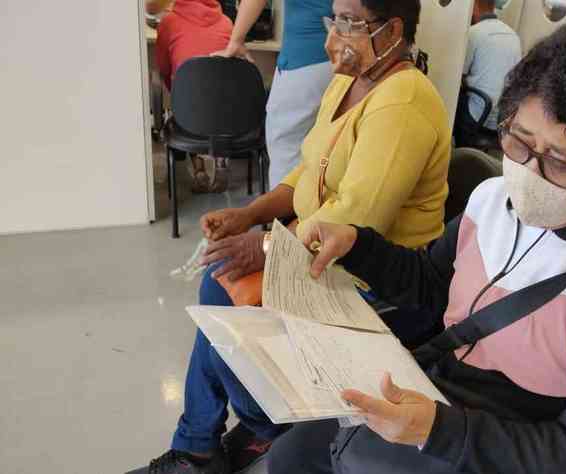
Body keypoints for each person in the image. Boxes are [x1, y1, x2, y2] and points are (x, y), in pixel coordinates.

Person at [264, 10, 566, 474]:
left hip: (506, 439)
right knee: (291, 455)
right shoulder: (491, 200)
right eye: (519, 142)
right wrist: (358, 246)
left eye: (561, 163)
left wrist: (439, 431)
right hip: (439, 388)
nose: (529, 173)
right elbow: (432, 283)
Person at [134, 1, 451, 473]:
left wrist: (261, 245)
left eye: (349, 22)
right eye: (334, 18)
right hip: (328, 256)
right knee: (224, 279)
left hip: (381, 284)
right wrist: (250, 215)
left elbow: (354, 223)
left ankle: (248, 433)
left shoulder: (403, 102)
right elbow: (309, 172)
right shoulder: (348, 81)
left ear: (393, 30)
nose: (334, 34)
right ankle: (204, 443)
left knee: (226, 286)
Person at [214, 0, 335, 190]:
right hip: (349, 60)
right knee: (333, 151)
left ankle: (285, 218)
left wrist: (236, 40)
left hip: (304, 60)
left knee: (286, 153)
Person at [155, 0, 234, 193]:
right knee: (217, 99)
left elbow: (163, 68)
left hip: (188, 115)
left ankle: (199, 171)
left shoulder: (168, 22)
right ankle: (221, 161)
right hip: (224, 117)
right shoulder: (227, 23)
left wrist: (175, 92)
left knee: (189, 102)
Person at [455, 0, 521, 140]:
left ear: (474, 5)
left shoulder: (474, 33)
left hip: (477, 115)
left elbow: (457, 73)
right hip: (502, 119)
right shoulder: (513, 36)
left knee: (451, 97)